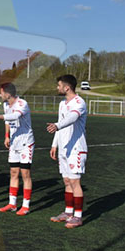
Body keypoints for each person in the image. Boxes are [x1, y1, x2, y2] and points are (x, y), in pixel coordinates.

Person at [0, 83, 34, 215]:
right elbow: (8, 121)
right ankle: (12, 203)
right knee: (13, 172)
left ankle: (26, 206)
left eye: (1, 93)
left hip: (26, 143)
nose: (0, 95)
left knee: (25, 174)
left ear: (7, 94)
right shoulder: (6, 105)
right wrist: (7, 136)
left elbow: (15, 116)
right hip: (14, 143)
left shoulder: (22, 103)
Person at [47, 74, 88, 229]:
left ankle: (78, 217)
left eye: (59, 85)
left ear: (67, 87)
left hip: (76, 149)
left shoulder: (79, 102)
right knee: (67, 181)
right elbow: (60, 123)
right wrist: (54, 145)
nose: (57, 88)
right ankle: (68, 212)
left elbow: (72, 117)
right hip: (64, 149)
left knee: (75, 182)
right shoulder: (62, 104)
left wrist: (57, 125)